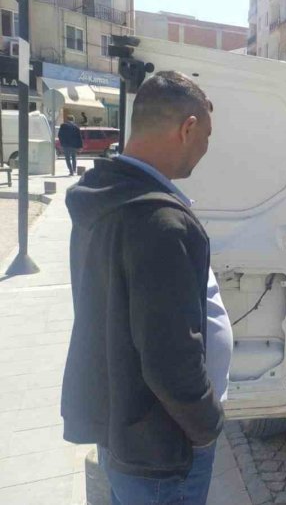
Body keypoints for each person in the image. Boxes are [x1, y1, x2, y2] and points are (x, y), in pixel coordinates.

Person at [62, 71, 230, 505]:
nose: (205, 150)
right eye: (206, 137)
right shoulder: (158, 222)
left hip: (124, 429)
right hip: (162, 448)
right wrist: (206, 425)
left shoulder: (106, 196)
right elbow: (168, 356)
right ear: (187, 128)